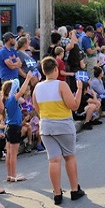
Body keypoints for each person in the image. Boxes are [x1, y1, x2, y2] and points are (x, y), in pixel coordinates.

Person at [32, 57, 86, 205]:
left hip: (46, 127)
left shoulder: (37, 87)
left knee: (53, 160)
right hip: (63, 125)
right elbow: (74, 106)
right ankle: (75, 189)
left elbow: (36, 107)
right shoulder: (61, 85)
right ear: (55, 69)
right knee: (69, 157)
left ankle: (57, 194)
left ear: (44, 71)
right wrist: (79, 89)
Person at [2, 71, 33, 182]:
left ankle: (10, 175)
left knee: (9, 153)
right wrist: (28, 78)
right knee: (13, 154)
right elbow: (22, 91)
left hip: (9, 127)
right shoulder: (11, 99)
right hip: (14, 128)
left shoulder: (6, 100)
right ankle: (14, 175)